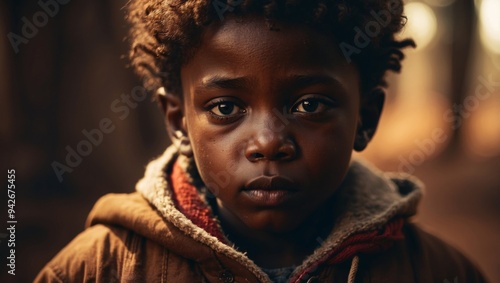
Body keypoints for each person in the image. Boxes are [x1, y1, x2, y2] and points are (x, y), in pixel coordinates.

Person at [35, 0, 486, 282]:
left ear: (365, 119)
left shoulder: (433, 269)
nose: (269, 143)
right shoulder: (100, 267)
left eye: (309, 105)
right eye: (227, 108)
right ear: (178, 121)